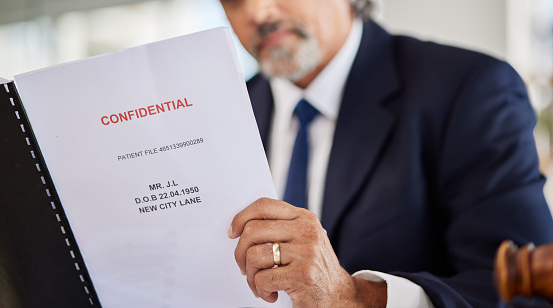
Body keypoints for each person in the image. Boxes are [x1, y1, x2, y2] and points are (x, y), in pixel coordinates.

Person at [220, 0, 553, 307]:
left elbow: (527, 295)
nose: (257, 12)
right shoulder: (221, 114)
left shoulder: (470, 90)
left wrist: (356, 298)